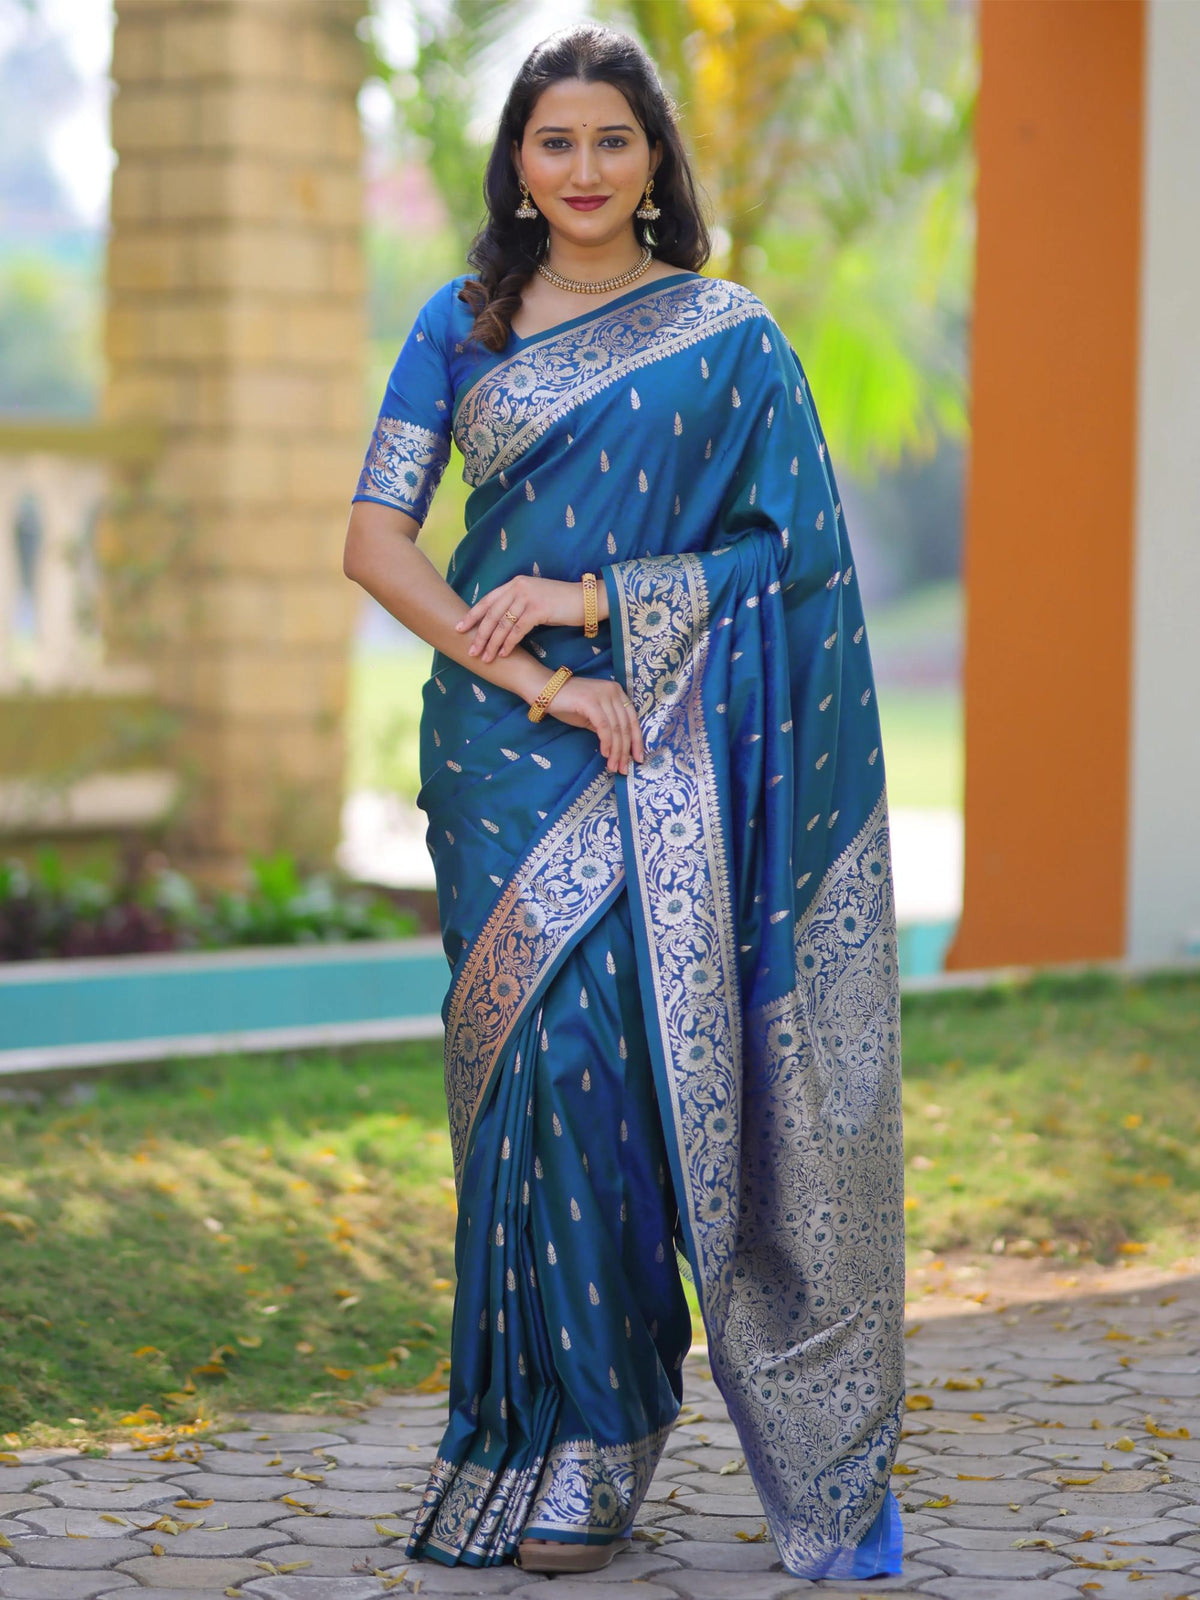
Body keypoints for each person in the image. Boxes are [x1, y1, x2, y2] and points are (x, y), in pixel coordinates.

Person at [342, 21, 906, 1583]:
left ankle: (612, 1425)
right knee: (528, 1089)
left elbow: (789, 568)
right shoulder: (461, 327)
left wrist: (596, 598)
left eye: (611, 140)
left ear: (656, 159)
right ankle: (529, 1425)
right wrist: (536, 675)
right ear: (515, 165)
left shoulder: (730, 338)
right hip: (503, 745)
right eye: (553, 141)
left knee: (610, 1072)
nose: (583, 170)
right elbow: (376, 539)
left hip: (667, 742)